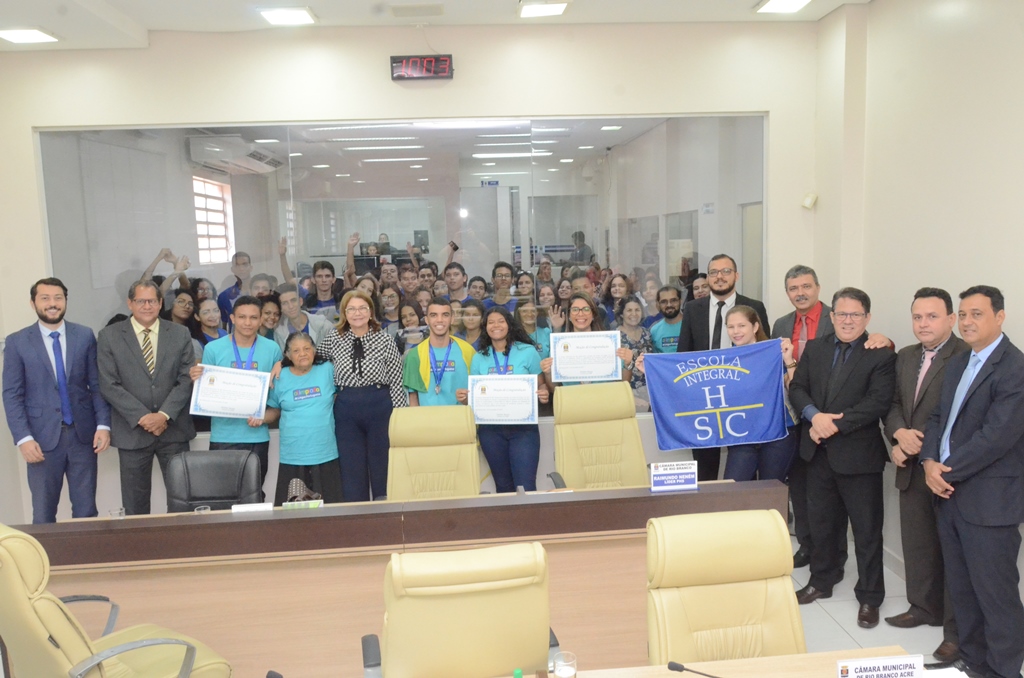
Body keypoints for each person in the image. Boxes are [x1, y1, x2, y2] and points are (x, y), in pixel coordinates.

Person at [921, 286, 1024, 678]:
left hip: (989, 502)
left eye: (976, 314)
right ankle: (975, 662)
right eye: (962, 314)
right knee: (963, 592)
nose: (966, 321)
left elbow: (997, 436)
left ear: (1000, 317)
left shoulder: (1015, 367)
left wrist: (944, 470)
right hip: (948, 495)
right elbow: (936, 419)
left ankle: (1003, 671)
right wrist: (929, 461)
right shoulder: (960, 362)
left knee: (996, 597)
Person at [788, 287, 896, 630]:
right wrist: (812, 414)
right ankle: (822, 581)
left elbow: (877, 403)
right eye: (841, 314)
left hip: (859, 457)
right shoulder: (816, 349)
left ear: (867, 318)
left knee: (866, 532)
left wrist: (829, 424)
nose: (848, 320)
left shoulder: (879, 354)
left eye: (855, 315)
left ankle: (869, 596)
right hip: (816, 454)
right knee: (821, 525)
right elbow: (797, 388)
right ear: (831, 316)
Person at [882, 287, 967, 664]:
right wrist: (898, 436)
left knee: (954, 555)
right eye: (917, 317)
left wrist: (921, 447)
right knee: (917, 543)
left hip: (949, 471)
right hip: (909, 466)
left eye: (932, 316)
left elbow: (958, 416)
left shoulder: (967, 356)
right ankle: (923, 608)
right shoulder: (904, 357)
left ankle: (955, 631)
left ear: (951, 319)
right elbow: (894, 404)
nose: (923, 324)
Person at [2, 278, 111, 524]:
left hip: (83, 436)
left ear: (65, 301)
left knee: (86, 511)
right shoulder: (17, 341)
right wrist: (23, 438)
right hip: (40, 440)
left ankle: (84, 561)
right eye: (45, 298)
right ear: (33, 303)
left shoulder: (84, 335)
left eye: (58, 298)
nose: (53, 304)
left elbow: (96, 385)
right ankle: (45, 563)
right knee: (43, 512)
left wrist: (103, 425)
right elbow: (12, 394)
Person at [97, 280, 197, 515]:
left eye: (152, 301)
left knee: (182, 498)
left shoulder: (180, 333)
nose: (147, 306)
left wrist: (163, 415)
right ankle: (139, 550)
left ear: (161, 303)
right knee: (134, 504)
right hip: (132, 432)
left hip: (173, 430)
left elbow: (186, 379)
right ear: (130, 303)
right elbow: (108, 384)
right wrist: (144, 417)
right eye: (140, 301)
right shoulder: (109, 335)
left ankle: (182, 548)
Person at [675, 254, 770, 482]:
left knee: (745, 467)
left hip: (743, 400)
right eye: (714, 272)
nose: (719, 277)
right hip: (704, 400)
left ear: (736, 275)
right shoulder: (692, 308)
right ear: (707, 278)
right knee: (705, 467)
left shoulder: (754, 306)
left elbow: (764, 354)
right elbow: (683, 355)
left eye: (726, 271)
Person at [316, 290, 408, 502]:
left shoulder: (384, 339)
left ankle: (385, 516)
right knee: (351, 466)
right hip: (347, 407)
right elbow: (313, 361)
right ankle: (356, 521)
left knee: (382, 464)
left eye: (362, 308)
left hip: (379, 405)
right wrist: (281, 364)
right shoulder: (333, 339)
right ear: (344, 313)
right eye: (352, 309)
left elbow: (396, 380)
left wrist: (400, 416)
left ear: (371, 312)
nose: (357, 313)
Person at [191, 295, 283, 493]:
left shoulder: (272, 349)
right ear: (232, 318)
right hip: (223, 436)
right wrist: (198, 379)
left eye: (253, 317)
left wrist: (264, 417)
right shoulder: (213, 348)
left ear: (260, 320)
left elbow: (276, 402)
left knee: (254, 492)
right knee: (222, 494)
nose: (248, 323)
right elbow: (206, 392)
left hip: (257, 438)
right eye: (242, 317)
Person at [469, 307, 550, 492]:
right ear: (485, 327)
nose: (496, 325)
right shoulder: (479, 358)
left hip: (523, 429)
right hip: (491, 431)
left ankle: (528, 522)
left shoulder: (528, 351)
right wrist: (467, 396)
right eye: (491, 322)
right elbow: (474, 393)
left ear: (509, 324)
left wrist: (543, 392)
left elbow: (541, 384)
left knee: (526, 486)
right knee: (503, 487)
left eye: (500, 321)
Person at [719, 306, 800, 482]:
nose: (736, 331)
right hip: (742, 436)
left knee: (770, 492)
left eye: (741, 325)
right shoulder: (722, 359)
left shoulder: (775, 352)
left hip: (778, 434)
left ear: (755, 327)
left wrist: (789, 361)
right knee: (733, 491)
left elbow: (795, 389)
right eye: (730, 327)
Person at [263, 332, 343, 506]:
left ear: (314, 350)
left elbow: (340, 397)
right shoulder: (280, 376)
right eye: (296, 350)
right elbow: (275, 410)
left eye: (307, 348)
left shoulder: (328, 369)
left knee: (331, 513)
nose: (303, 353)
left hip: (325, 453)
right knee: (294, 516)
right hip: (293, 456)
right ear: (288, 355)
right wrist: (259, 418)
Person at [540, 292, 633, 388]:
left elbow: (624, 383)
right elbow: (553, 389)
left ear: (593, 315)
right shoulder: (560, 346)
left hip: (604, 399)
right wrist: (548, 373)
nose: (580, 313)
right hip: (573, 400)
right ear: (569, 316)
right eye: (575, 309)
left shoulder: (609, 343)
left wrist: (628, 364)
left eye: (586, 309)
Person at [403, 297, 476, 406]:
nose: (439, 320)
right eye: (434, 315)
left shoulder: (468, 351)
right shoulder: (415, 355)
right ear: (426, 320)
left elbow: (476, 392)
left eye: (445, 315)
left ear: (452, 318)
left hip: (459, 420)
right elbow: (413, 398)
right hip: (427, 421)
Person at [617, 297, 655, 409]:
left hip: (649, 390)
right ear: (622, 314)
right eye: (629, 310)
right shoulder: (615, 337)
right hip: (627, 392)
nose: (634, 314)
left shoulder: (647, 333)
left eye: (637, 310)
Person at [275, 283, 333, 349]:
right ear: (280, 308)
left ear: (300, 301)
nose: (290, 306)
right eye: (285, 303)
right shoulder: (279, 333)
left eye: (293, 300)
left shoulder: (324, 326)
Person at [217, 251, 253, 324]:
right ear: (232, 269)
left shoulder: (260, 291)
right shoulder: (224, 296)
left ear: (251, 268)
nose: (241, 269)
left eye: (245, 264)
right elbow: (224, 323)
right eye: (237, 265)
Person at [649, 287, 683, 353]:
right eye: (663, 302)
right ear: (658, 305)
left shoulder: (692, 325)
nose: (669, 305)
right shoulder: (654, 330)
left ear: (680, 301)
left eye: (673, 300)